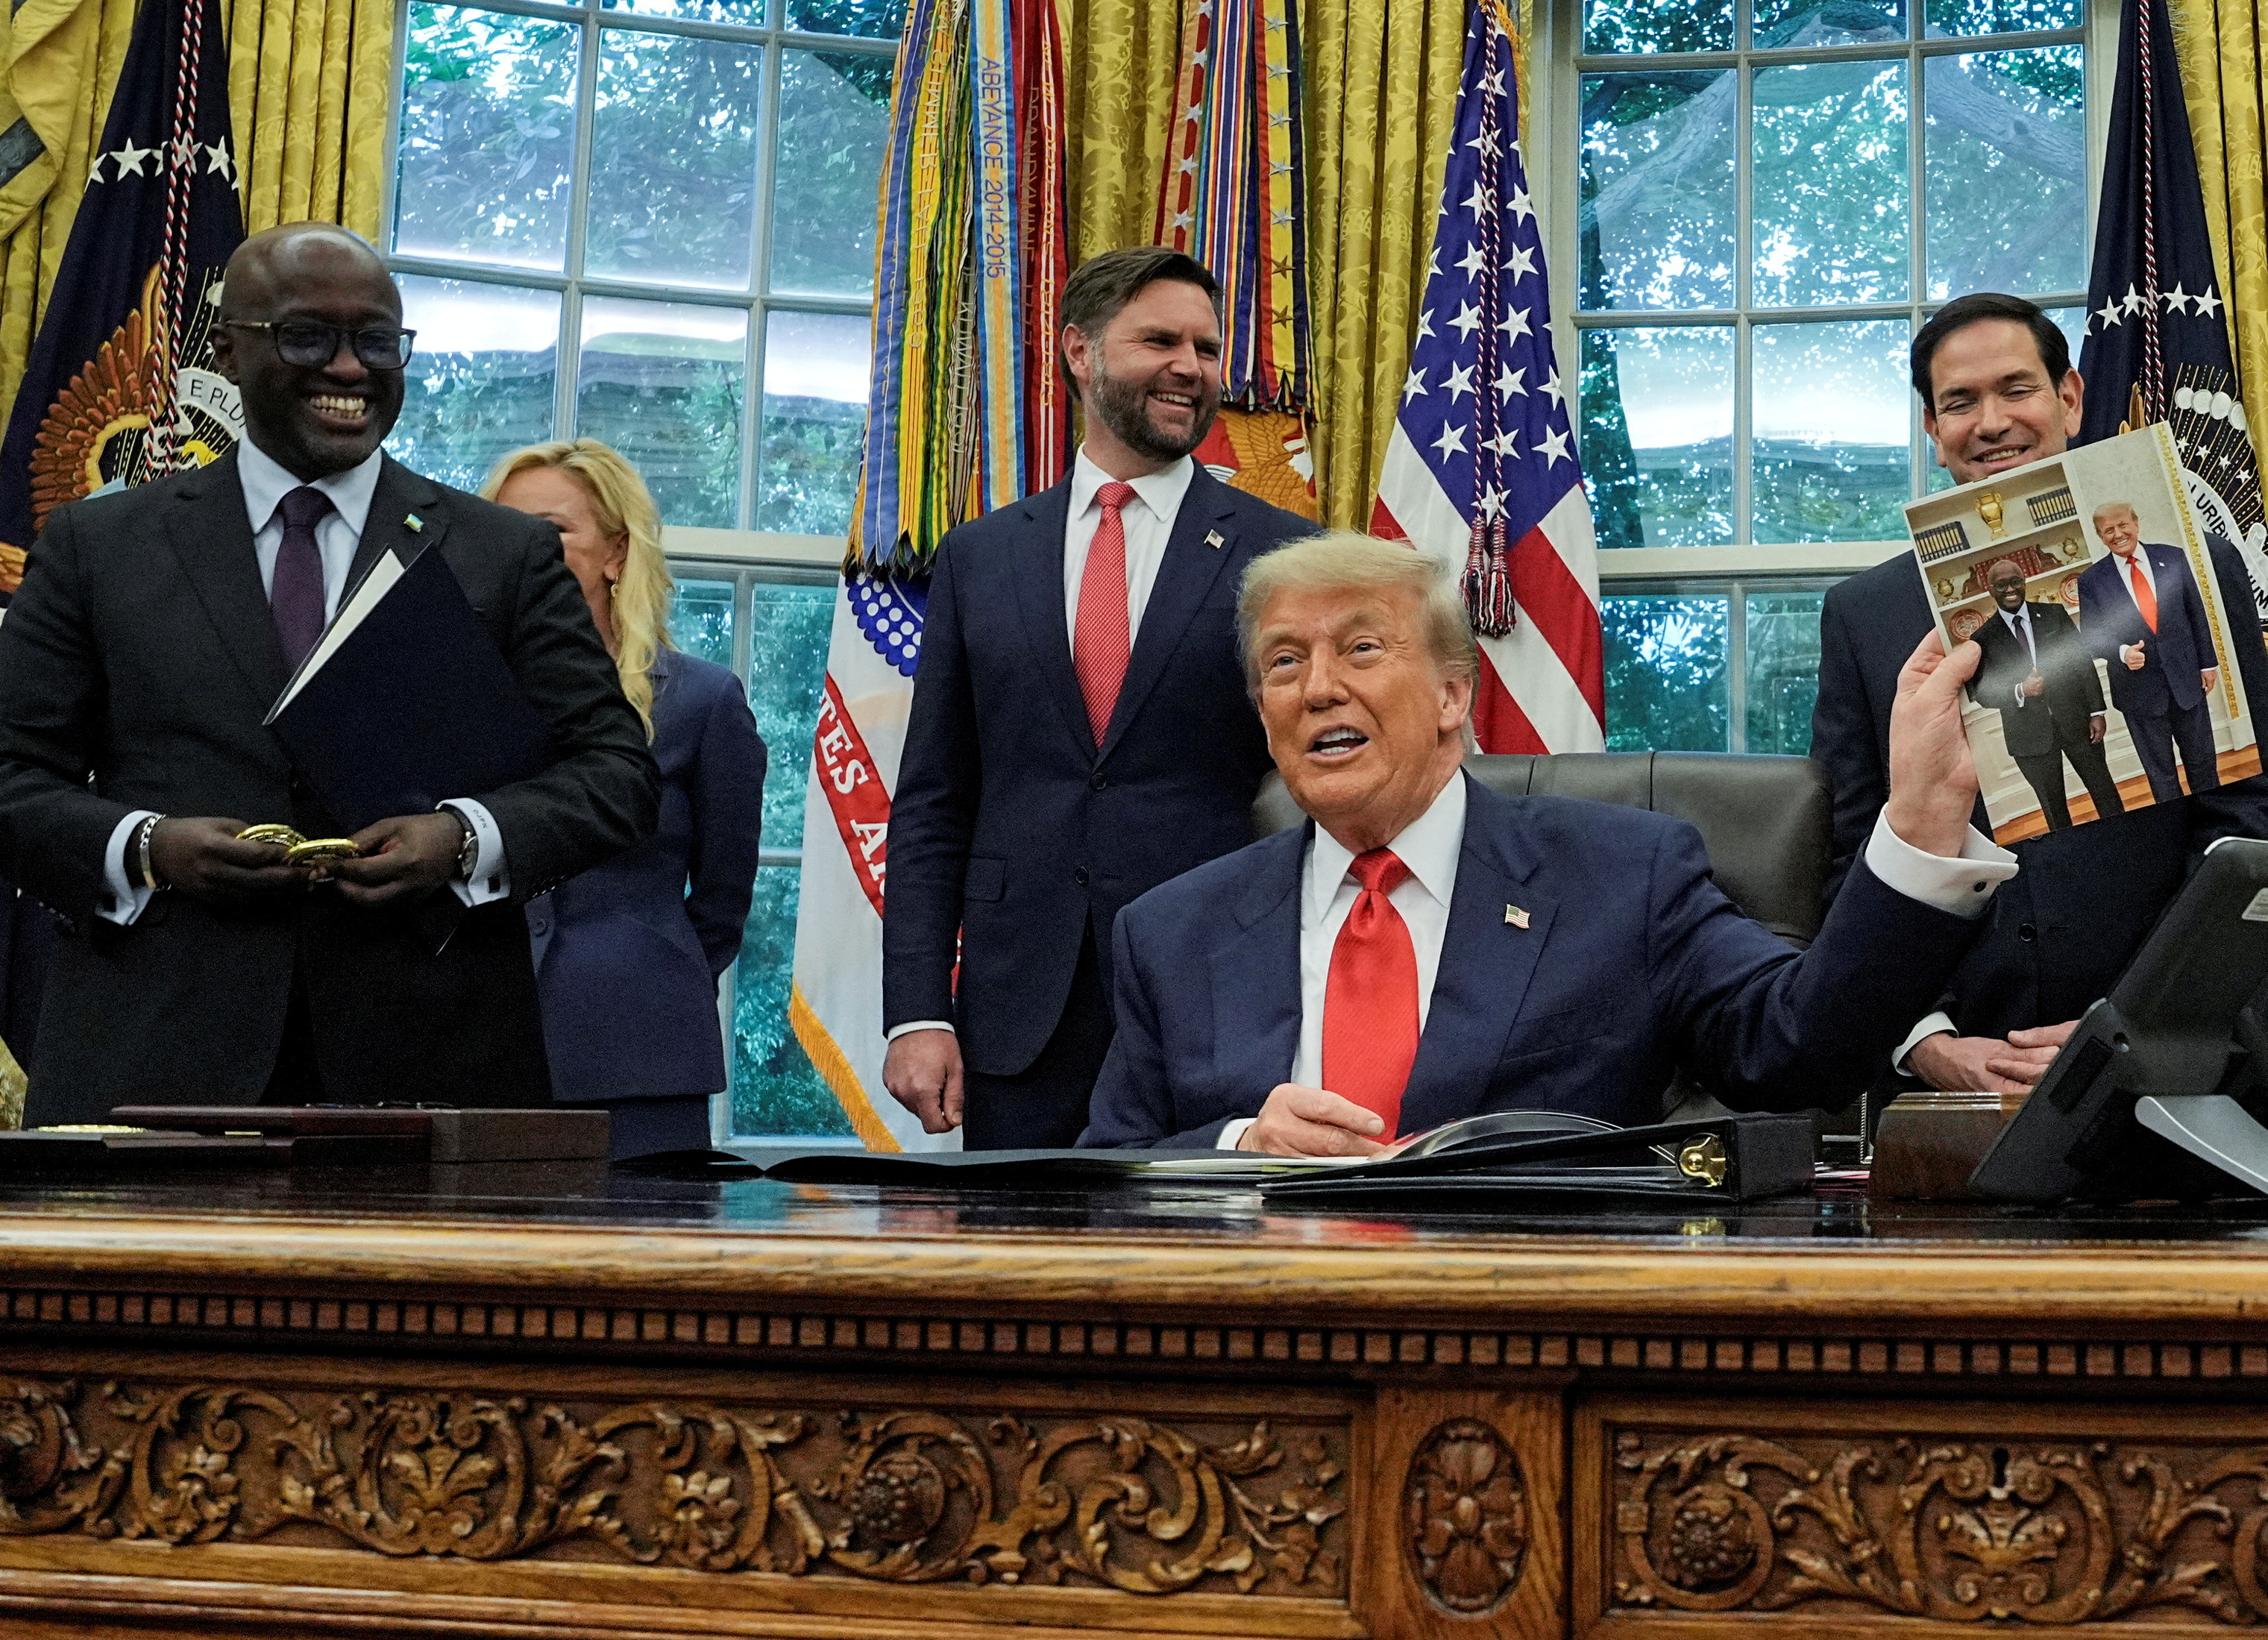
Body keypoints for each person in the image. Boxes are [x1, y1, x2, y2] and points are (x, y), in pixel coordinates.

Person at [0, 224, 656, 1119]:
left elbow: (616, 776)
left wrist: (464, 840)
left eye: (378, 341)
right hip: (152, 1063)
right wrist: (150, 847)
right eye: (308, 337)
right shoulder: (101, 546)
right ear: (227, 353)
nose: (350, 368)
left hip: (430, 1071)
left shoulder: (500, 553)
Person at [1086, 535, 2002, 1151]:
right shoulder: (1170, 931)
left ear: (1453, 695)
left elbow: (1801, 1046)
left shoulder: (1622, 877)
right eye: (1285, 662)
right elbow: (1101, 1187)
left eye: (1362, 649)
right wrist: (1240, 1145)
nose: (1318, 687)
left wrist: (1920, 822)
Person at [877, 247, 1321, 1146]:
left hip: (1218, 997)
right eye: (1159, 339)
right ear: (1079, 352)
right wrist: (916, 1011)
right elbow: (933, 801)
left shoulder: (1285, 557)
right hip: (1016, 1015)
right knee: (1022, 1273)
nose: (1190, 367)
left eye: (1205, 345)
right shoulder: (981, 556)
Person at [1810, 294, 2268, 1098]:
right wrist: (1924, 1041)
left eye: (2015, 389)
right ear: (1933, 430)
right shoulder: (1862, 615)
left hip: (2160, 1067)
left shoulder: (2194, 568)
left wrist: (2144, 1013)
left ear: (2068, 398)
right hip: (1953, 1077)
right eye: (1959, 402)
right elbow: (1851, 853)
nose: (1990, 421)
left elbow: (2245, 830)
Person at [490, 439, 764, 1160]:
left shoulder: (703, 701)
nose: (522, 551)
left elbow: (723, 898)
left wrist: (644, 975)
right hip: (478, 1051)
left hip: (642, 1057)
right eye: (503, 532)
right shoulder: (452, 695)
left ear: (616, 552)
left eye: (550, 532)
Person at [2073, 497, 2220, 800]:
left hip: (2186, 682)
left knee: (2204, 766)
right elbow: (2090, 636)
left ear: (2136, 524)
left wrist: (2207, 664)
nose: (2118, 534)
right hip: (2137, 693)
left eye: (2123, 525)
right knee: (2162, 776)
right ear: (2100, 537)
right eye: (2108, 530)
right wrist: (2122, 652)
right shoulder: (2091, 581)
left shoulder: (2173, 557)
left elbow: (2196, 613)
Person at [1961, 553, 2120, 826]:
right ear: (1990, 590)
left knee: (2106, 794)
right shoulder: (1981, 639)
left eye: (2016, 582)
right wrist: (2020, 690)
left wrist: (2097, 711)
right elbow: (1980, 692)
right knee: (2055, 811)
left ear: (2025, 582)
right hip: (2029, 737)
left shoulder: (2054, 614)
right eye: (2002, 585)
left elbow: (2082, 663)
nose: (2010, 589)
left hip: (2078, 723)